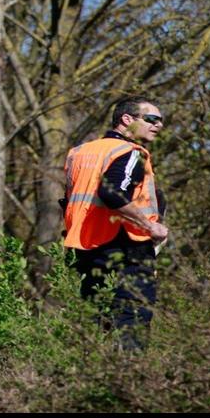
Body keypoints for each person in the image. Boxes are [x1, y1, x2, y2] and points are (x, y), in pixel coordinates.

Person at [62, 97, 169, 351]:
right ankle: (129, 383)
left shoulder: (79, 152)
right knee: (132, 319)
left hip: (84, 247)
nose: (158, 126)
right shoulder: (131, 153)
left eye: (161, 121)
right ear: (127, 120)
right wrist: (151, 226)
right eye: (151, 119)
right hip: (125, 248)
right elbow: (113, 194)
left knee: (93, 324)